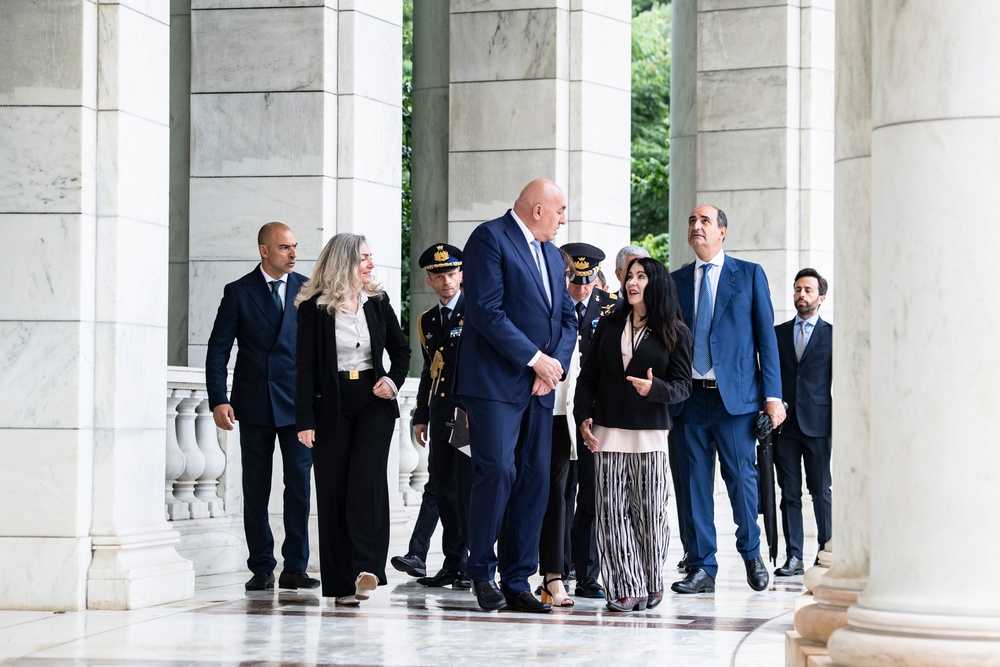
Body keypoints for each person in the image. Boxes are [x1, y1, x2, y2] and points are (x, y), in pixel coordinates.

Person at [456, 178, 577, 613]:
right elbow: (486, 310)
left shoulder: (549, 252)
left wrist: (553, 366)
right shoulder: (489, 237)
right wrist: (534, 359)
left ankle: (517, 579)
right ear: (538, 209)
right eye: (560, 211)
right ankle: (482, 573)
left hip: (540, 387)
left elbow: (567, 317)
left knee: (535, 480)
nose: (564, 219)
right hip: (494, 385)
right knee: (497, 472)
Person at [670, 205, 785, 595]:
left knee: (742, 480)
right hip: (688, 400)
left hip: (734, 401)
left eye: (704, 221)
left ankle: (751, 551)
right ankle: (703, 567)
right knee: (694, 485)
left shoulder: (749, 275)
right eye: (691, 221)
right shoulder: (677, 281)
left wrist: (773, 397)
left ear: (722, 232)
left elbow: (766, 341)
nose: (696, 226)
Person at [294, 233, 410, 605]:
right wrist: (304, 420)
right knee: (333, 490)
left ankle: (368, 568)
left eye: (371, 257)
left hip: (373, 401)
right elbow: (304, 369)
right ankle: (341, 585)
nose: (371, 264)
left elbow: (402, 349)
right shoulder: (313, 307)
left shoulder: (377, 301)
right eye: (364, 258)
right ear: (344, 262)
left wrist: (392, 381)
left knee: (367, 481)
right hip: (330, 402)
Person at [205, 222, 319, 592]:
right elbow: (218, 349)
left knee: (299, 485)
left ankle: (296, 567)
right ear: (264, 250)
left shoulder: (308, 289)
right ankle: (261, 566)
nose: (293, 254)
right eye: (285, 247)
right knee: (255, 487)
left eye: (295, 247)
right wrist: (219, 398)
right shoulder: (238, 292)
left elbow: (321, 350)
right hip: (253, 404)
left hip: (298, 405)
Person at [576, 257, 692, 612]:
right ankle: (625, 586)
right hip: (607, 431)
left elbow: (683, 386)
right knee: (611, 514)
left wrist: (655, 388)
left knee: (650, 514)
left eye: (641, 276)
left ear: (655, 284)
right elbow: (588, 378)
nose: (632, 282)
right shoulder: (609, 326)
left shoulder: (675, 331)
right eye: (630, 276)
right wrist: (583, 417)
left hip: (650, 434)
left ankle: (651, 577)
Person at [392, 243, 473, 590]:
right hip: (441, 414)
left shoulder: (476, 312)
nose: (446, 282)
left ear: (462, 275)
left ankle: (471, 564)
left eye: (452, 274)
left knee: (466, 489)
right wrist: (421, 414)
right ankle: (452, 564)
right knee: (442, 486)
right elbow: (429, 370)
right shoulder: (426, 320)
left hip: (467, 414)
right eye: (439, 276)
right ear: (428, 280)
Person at [561, 242, 618, 600]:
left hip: (595, 415)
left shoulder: (612, 310)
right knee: (560, 494)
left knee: (593, 498)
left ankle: (587, 573)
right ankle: (558, 564)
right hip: (558, 411)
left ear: (597, 278)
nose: (580, 288)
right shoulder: (552, 304)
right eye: (575, 280)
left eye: (587, 280)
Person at [773, 268, 832, 576]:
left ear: (821, 297)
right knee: (790, 493)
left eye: (808, 290)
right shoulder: (778, 333)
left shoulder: (832, 335)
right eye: (797, 289)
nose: (801, 295)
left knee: (821, 490)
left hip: (819, 425)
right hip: (785, 426)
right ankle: (794, 556)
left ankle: (825, 553)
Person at [536, 250, 584, 608]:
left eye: (566, 273)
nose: (565, 278)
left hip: (558, 417)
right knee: (516, 489)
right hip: (521, 410)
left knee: (557, 496)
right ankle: (512, 572)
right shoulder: (527, 300)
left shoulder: (568, 311)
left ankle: (553, 576)